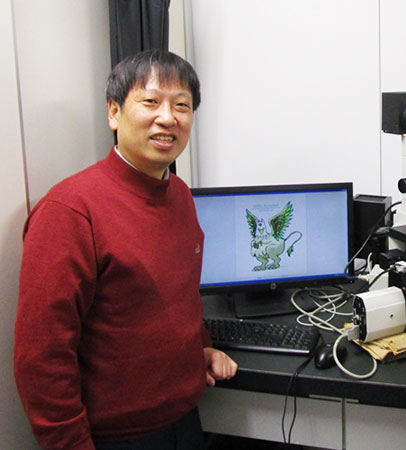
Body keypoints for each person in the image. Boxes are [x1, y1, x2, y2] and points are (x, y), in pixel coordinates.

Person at [14, 49, 238, 450]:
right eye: (150, 102)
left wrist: (200, 347)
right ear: (114, 112)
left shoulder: (180, 195)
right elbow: (42, 357)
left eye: (181, 105)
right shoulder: (70, 211)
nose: (168, 117)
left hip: (185, 418)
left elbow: (179, 294)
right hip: (114, 438)